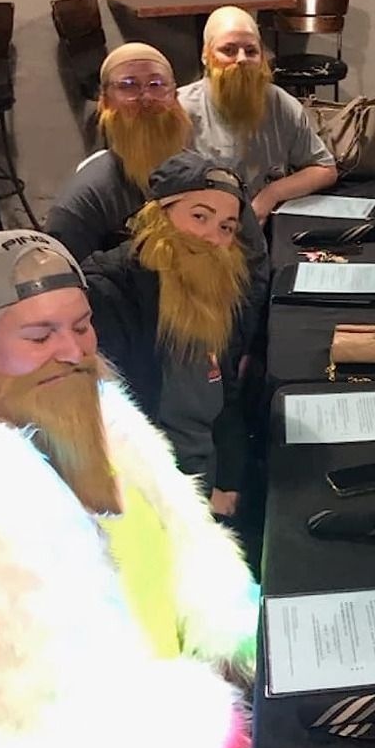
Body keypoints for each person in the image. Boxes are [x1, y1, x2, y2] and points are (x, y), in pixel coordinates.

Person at [0, 229, 257, 748]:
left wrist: (234, 645)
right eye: (39, 336)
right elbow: (32, 717)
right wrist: (201, 727)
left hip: (196, 704)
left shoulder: (109, 421)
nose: (72, 352)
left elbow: (190, 567)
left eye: (81, 326)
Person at [44, 42, 268, 353]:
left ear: (175, 97)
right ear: (105, 102)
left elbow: (254, 265)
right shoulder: (85, 200)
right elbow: (62, 296)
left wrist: (237, 348)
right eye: (128, 86)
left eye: (156, 85)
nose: (146, 97)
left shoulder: (217, 181)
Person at [83, 152, 250, 518]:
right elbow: (111, 433)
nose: (212, 237)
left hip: (212, 478)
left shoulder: (215, 289)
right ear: (159, 214)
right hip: (156, 499)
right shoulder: (108, 296)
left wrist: (230, 481)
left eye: (226, 228)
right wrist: (194, 500)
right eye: (200, 217)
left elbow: (229, 401)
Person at [177, 5, 338, 223]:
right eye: (228, 50)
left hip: (264, 224)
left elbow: (324, 168)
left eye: (251, 51)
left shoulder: (281, 104)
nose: (241, 59)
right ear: (206, 55)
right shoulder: (180, 109)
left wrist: (272, 194)